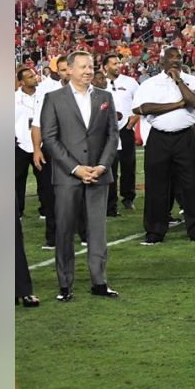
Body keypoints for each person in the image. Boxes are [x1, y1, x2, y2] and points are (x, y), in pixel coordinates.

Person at [39, 51, 121, 301]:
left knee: (98, 231)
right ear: (70, 70)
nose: (88, 71)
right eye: (83, 67)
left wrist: (102, 166)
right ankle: (65, 285)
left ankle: (99, 282)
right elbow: (49, 138)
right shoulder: (53, 98)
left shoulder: (105, 97)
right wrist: (76, 168)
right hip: (67, 177)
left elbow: (112, 135)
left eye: (91, 66)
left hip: (98, 175)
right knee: (64, 231)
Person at [131, 46, 195, 245]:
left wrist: (178, 80)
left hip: (186, 137)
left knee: (191, 184)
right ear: (162, 62)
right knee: (156, 185)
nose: (175, 60)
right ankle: (154, 232)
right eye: (171, 57)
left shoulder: (192, 81)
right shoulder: (150, 83)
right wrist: (177, 105)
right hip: (159, 138)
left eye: (179, 57)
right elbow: (143, 108)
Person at [31, 55, 69, 249]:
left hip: (78, 149)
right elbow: (37, 122)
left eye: (68, 69)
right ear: (57, 72)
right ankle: (52, 236)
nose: (66, 73)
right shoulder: (48, 92)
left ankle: (85, 233)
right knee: (50, 192)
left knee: (81, 192)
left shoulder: (89, 92)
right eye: (62, 70)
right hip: (52, 148)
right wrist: (37, 148)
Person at [104, 54, 140, 213]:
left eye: (118, 63)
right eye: (113, 63)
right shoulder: (99, 82)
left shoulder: (130, 82)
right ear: (105, 67)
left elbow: (140, 102)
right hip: (105, 131)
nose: (118, 66)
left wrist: (134, 118)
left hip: (126, 128)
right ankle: (110, 200)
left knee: (128, 164)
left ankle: (128, 197)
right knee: (109, 166)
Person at [14, 66, 39, 216]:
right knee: (18, 181)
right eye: (30, 76)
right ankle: (18, 212)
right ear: (21, 82)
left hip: (41, 145)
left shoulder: (44, 94)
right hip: (20, 145)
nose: (34, 77)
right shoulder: (13, 98)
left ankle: (46, 210)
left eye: (34, 74)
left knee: (45, 181)